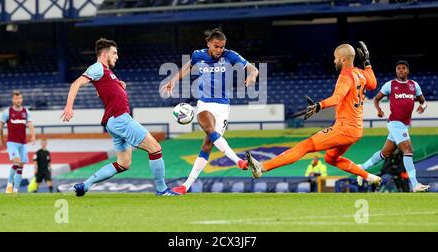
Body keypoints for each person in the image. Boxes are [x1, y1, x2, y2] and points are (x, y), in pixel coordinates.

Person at [246, 42, 381, 186]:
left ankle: (262, 167)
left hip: (345, 128)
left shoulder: (345, 76)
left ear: (342, 59)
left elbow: (337, 98)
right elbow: (373, 84)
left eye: (335, 58)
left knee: (305, 146)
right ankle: (369, 177)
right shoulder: (360, 73)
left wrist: (319, 105)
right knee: (331, 158)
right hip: (356, 129)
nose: (334, 61)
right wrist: (367, 62)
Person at [61, 38, 178, 196]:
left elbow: (100, 91)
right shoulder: (97, 67)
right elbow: (76, 84)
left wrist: (118, 85)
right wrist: (69, 107)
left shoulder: (107, 73)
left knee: (123, 163)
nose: (117, 56)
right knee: (155, 148)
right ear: (104, 54)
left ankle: (85, 185)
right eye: (114, 53)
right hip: (120, 118)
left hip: (112, 122)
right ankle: (162, 189)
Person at [161, 29, 259, 195]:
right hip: (204, 103)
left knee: (207, 145)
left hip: (223, 107)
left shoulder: (230, 55)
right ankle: (238, 161)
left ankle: (185, 187)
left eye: (222, 47)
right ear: (208, 44)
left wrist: (252, 76)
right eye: (216, 46)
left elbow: (253, 69)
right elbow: (187, 67)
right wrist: (173, 80)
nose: (219, 50)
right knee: (207, 126)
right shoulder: (198, 55)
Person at [358, 60, 429, 192]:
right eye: (398, 69)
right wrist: (379, 110)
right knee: (408, 151)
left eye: (403, 68)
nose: (400, 70)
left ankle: (361, 168)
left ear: (407, 71)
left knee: (385, 153)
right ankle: (415, 184)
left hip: (405, 125)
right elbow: (376, 99)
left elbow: (424, 102)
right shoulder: (390, 85)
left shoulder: (414, 85)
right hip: (395, 123)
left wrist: (422, 107)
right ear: (396, 71)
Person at [0, 90, 36, 193]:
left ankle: (15, 190)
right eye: (16, 98)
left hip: (23, 143)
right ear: (12, 99)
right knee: (16, 161)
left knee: (21, 166)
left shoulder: (26, 111)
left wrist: (33, 136)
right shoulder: (8, 112)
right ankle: (9, 185)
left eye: (20, 98)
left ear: (22, 99)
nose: (18, 100)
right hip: (12, 142)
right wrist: (1, 139)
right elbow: (0, 127)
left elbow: (31, 125)